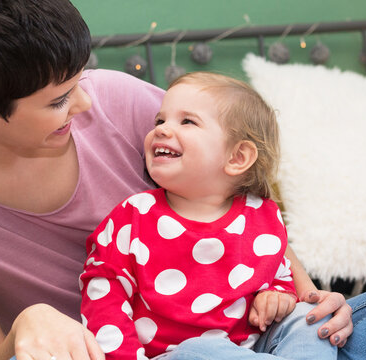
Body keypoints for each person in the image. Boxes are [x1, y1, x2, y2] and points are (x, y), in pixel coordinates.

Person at [0, 0, 366, 359]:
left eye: (79, 80)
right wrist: (28, 323)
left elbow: (238, 201)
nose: (85, 101)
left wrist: (305, 293)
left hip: (264, 335)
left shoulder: (119, 99)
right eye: (58, 100)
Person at [80, 72, 337, 360]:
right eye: (160, 121)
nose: (162, 130)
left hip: (250, 348)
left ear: (237, 157)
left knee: (308, 319)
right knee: (203, 351)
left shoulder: (261, 215)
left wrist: (277, 296)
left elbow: (279, 276)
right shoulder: (132, 217)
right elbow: (104, 298)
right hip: (176, 355)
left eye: (187, 121)